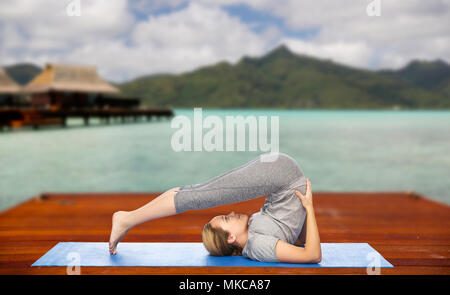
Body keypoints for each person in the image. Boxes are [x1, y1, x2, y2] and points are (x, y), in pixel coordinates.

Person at [109, 153, 321, 263]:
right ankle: (126, 219)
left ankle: (127, 218)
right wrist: (309, 208)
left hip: (279, 174)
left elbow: (296, 237)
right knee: (198, 195)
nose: (231, 213)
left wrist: (304, 208)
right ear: (230, 239)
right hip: (281, 174)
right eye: (226, 219)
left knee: (197, 192)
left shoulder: (253, 232)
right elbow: (310, 254)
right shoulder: (257, 245)